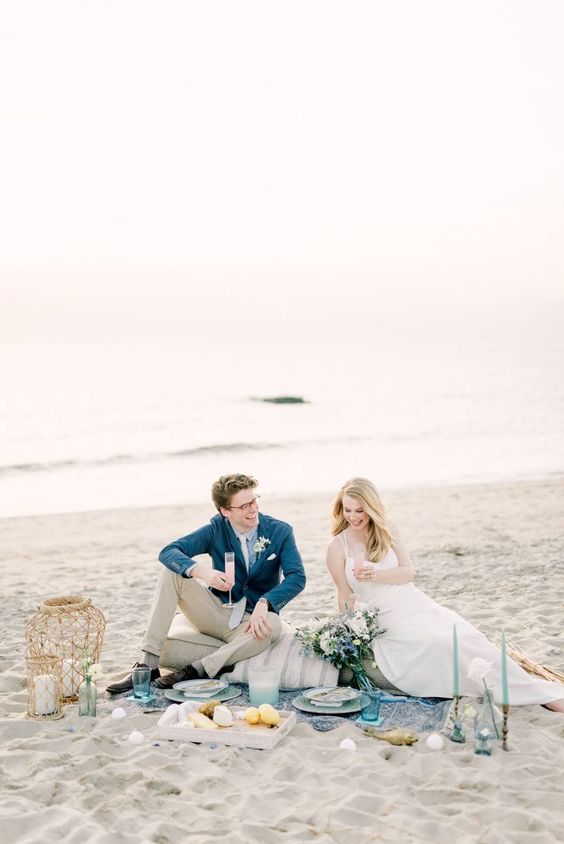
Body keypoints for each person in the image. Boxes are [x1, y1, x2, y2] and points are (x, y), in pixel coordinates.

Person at [325, 477, 564, 710]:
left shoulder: (387, 530)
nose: (354, 517)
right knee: (441, 643)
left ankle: (533, 691)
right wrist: (351, 632)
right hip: (384, 615)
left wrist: (377, 575)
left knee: (466, 637)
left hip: (412, 601)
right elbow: (345, 595)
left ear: (371, 507)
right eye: (348, 510)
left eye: (360, 510)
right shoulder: (338, 546)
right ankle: (521, 691)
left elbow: (408, 573)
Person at [106, 473, 306, 694]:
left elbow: (297, 576)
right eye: (244, 506)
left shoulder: (280, 531)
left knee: (274, 625)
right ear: (225, 511)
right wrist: (203, 573)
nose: (252, 509)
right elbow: (169, 551)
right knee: (170, 573)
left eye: (254, 501)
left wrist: (266, 602)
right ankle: (149, 666)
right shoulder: (216, 529)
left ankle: (199, 669)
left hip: (250, 620)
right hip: (214, 611)